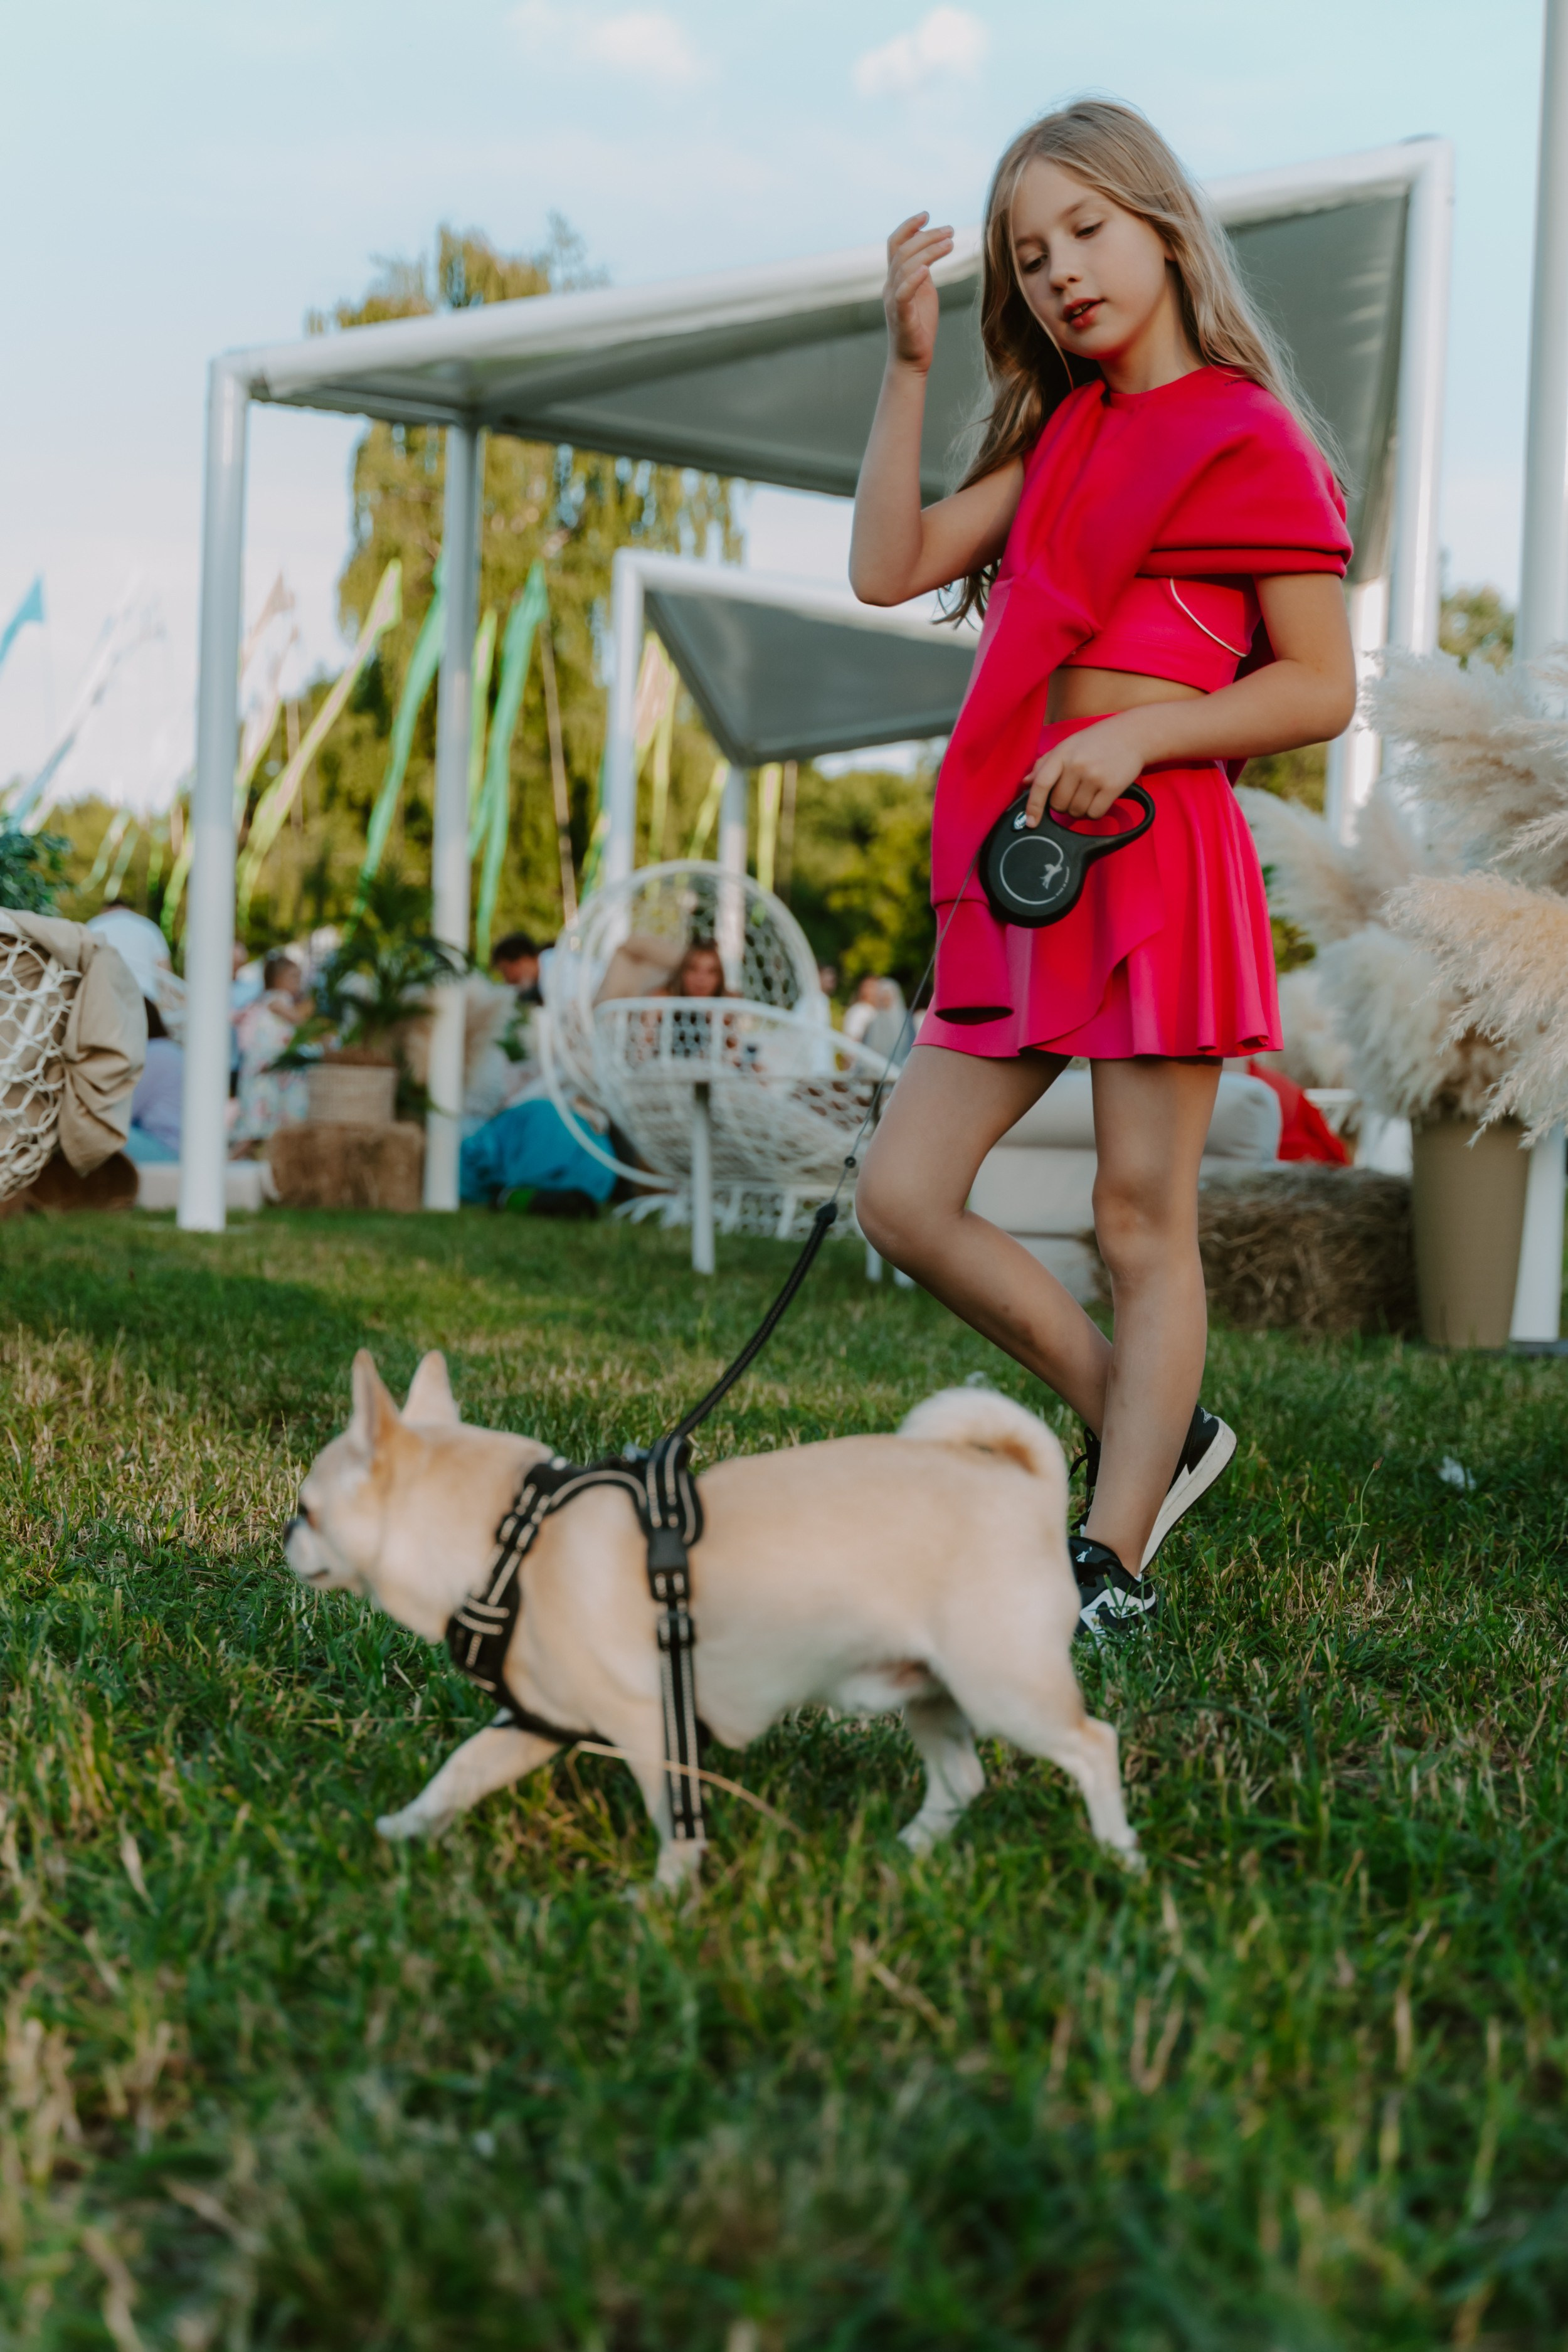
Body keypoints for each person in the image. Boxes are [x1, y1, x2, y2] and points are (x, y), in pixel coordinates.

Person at [849, 100, 1355, 1636]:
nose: (1061, 271)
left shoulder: (1248, 431)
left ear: (1161, 226)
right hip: (1025, 856)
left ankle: (1113, 1549)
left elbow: (1319, 685)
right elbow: (888, 567)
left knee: (1142, 1218)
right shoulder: (1063, 434)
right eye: (1029, 253)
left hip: (1153, 844)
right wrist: (912, 367)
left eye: (1085, 230)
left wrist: (1146, 740)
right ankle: (1156, 1416)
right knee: (902, 1196)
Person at [491, 931, 544, 1004]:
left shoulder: (555, 969)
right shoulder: (540, 986)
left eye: (505, 971)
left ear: (524, 959)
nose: (508, 981)